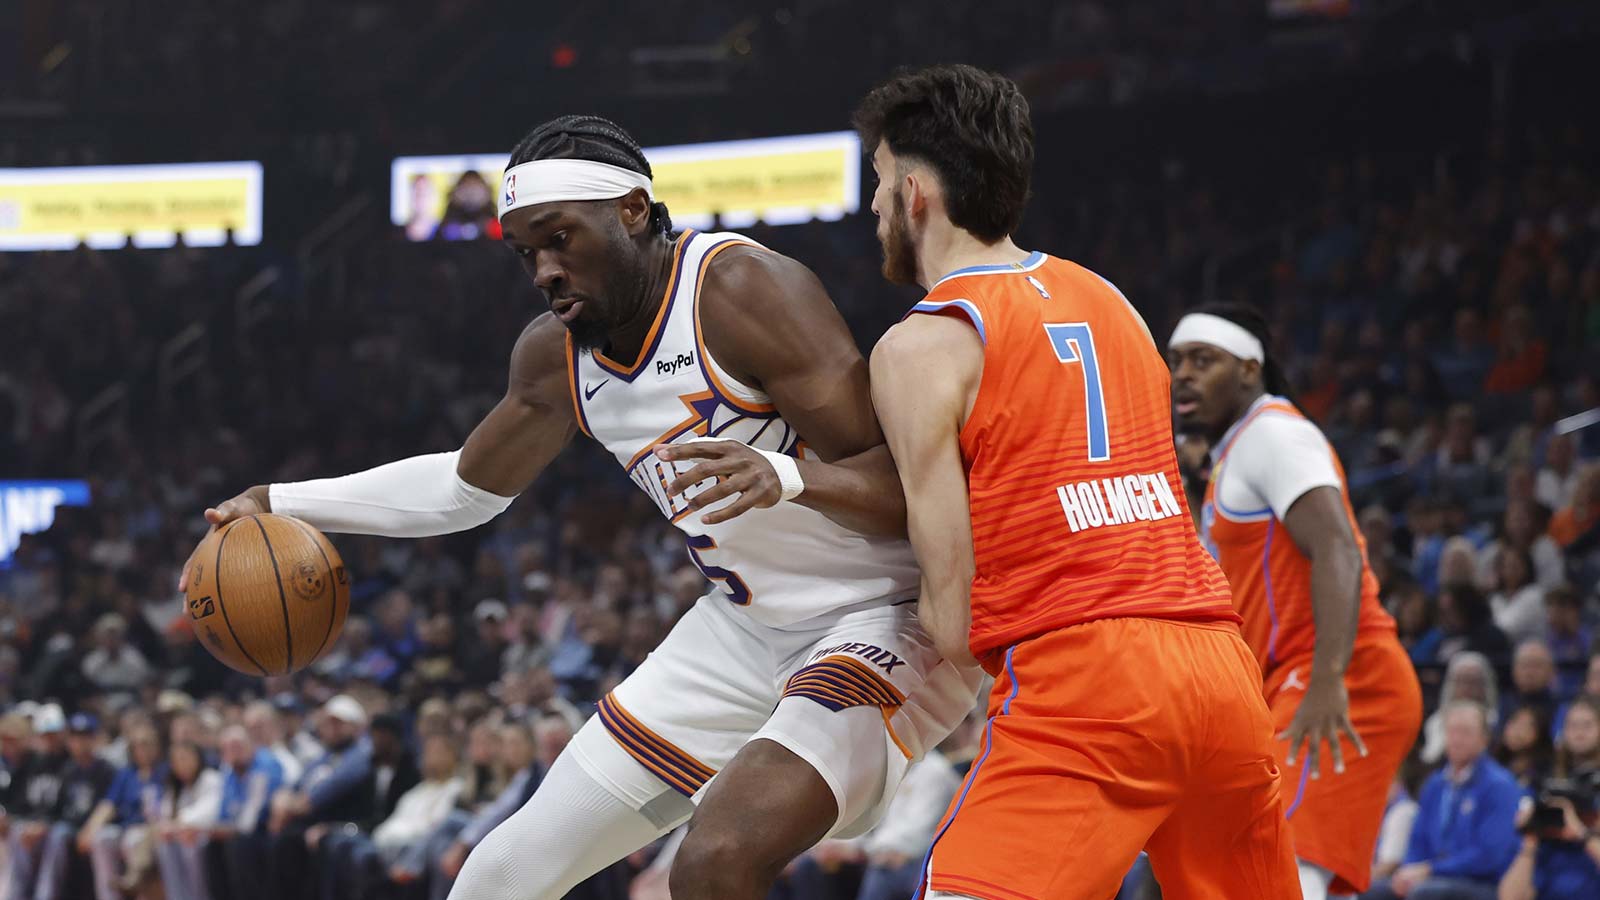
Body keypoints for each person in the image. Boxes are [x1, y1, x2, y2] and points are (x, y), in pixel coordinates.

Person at [183, 113, 977, 900]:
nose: (545, 270)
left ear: (633, 210)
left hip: (885, 614)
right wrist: (280, 500)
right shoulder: (555, 355)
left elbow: (910, 492)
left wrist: (789, 477)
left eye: (560, 238)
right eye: (527, 252)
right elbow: (463, 490)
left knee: (714, 860)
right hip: (745, 630)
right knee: (497, 878)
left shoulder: (740, 289)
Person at [860, 64, 1300, 898]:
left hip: (1088, 679)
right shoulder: (1113, 300)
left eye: (879, 182)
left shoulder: (918, 349)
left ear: (915, 193)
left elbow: (951, 618)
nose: (872, 206)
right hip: (1219, 666)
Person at [1169, 302, 1424, 900]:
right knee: (1270, 872)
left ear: (1251, 371)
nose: (1183, 374)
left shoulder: (1276, 434)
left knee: (1279, 872)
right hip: (1290, 681)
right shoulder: (1237, 449)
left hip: (1342, 678)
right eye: (1177, 360)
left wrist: (1330, 681)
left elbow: (1337, 547)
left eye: (1204, 361)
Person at [1364, 702, 1522, 900]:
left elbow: (1489, 856)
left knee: (1424, 894)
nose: (1457, 739)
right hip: (1430, 876)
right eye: (1452, 731)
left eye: (1465, 732)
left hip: (1480, 883)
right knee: (1369, 890)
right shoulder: (1435, 784)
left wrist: (1430, 870)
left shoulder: (1500, 786)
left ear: (1484, 740)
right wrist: (1410, 870)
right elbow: (1417, 839)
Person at [1497, 696, 1600, 899]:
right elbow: (1508, 896)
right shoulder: (1547, 782)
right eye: (1572, 725)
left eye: (1587, 724)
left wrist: (1581, 832)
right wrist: (1530, 837)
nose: (1579, 732)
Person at [79, 723, 163, 900]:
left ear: (156, 746)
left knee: (133, 840)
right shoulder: (126, 774)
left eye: (146, 744)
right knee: (102, 838)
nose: (142, 750)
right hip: (125, 828)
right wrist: (90, 829)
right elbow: (108, 805)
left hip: (150, 830)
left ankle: (138, 891)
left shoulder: (164, 772)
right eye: (137, 745)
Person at [152, 740, 223, 900]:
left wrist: (178, 824)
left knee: (189, 844)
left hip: (210, 836)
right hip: (181, 835)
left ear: (197, 758)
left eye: (185, 758)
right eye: (176, 761)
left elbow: (209, 812)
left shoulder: (210, 778)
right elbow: (165, 815)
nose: (181, 764)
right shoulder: (176, 786)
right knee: (165, 844)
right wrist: (170, 827)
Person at [1422, 652, 1501, 765]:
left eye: (1473, 681)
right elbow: (1429, 758)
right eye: (1461, 681)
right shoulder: (1435, 722)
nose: (1467, 687)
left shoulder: (1493, 720)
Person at [1493, 705, 1555, 788]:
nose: (1517, 731)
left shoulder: (1545, 772)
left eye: (1526, 726)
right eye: (1514, 722)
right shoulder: (1492, 762)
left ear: (1540, 733)